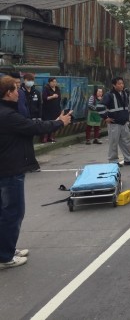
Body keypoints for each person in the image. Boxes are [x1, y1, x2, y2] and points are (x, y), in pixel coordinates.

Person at [0, 75, 72, 270]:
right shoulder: (7, 116)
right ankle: (5, 256)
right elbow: (34, 127)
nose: (19, 92)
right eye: (16, 89)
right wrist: (60, 122)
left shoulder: (7, 113)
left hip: (7, 167)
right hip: (9, 169)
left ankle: (6, 249)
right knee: (12, 212)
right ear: (8, 93)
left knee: (5, 212)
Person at [101, 76, 130, 167]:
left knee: (126, 141)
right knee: (113, 142)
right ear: (114, 85)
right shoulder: (109, 95)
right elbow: (100, 107)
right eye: (119, 83)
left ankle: (128, 159)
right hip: (114, 123)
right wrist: (105, 117)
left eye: (122, 83)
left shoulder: (125, 94)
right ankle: (113, 161)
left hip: (124, 122)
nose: (121, 85)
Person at [41, 77, 62, 143]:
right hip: (47, 109)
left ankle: (51, 137)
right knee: (47, 123)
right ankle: (45, 137)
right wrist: (52, 96)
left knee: (54, 122)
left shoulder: (57, 89)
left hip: (56, 109)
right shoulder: (46, 89)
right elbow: (44, 98)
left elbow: (59, 98)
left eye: (55, 82)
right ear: (49, 82)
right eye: (53, 82)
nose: (54, 83)